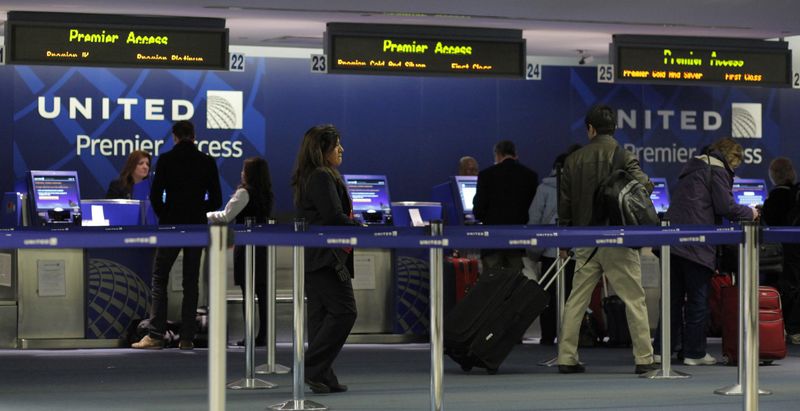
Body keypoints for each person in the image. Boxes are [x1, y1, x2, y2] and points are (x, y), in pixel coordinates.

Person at [556, 105, 658, 374]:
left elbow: (564, 205)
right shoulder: (623, 155)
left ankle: (566, 357)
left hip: (584, 239)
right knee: (634, 298)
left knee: (576, 299)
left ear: (590, 129)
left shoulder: (573, 160)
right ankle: (644, 358)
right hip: (617, 238)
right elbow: (645, 185)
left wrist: (565, 240)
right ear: (614, 128)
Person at [653, 137, 758, 365]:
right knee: (698, 299)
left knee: (671, 299)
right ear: (731, 157)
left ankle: (662, 350)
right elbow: (725, 207)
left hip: (671, 240)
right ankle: (694, 352)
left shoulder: (693, 168)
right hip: (697, 244)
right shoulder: (717, 170)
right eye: (735, 164)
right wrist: (751, 213)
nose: (734, 169)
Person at [133, 120, 222, 350]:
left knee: (159, 278)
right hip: (196, 227)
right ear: (194, 136)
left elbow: (155, 195)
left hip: (171, 226)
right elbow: (216, 199)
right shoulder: (207, 161)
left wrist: (167, 215)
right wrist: (199, 214)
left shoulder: (166, 160)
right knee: (191, 282)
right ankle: (187, 338)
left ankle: (155, 335)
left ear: (174, 137)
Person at [291, 124, 359, 394]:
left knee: (320, 320)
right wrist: (362, 228)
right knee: (345, 311)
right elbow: (333, 216)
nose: (342, 149)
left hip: (316, 257)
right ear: (322, 150)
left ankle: (322, 375)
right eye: (336, 145)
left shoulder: (313, 175)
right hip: (326, 258)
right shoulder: (321, 176)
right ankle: (311, 367)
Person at [207, 157, 274, 346]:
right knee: (262, 292)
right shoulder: (266, 194)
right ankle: (264, 335)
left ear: (250, 173)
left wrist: (206, 215)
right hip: (262, 247)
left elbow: (225, 216)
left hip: (246, 247)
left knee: (248, 293)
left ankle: (250, 335)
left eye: (244, 169)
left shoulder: (244, 192)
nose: (241, 173)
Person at [527, 145, 580, 345]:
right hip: (575, 250)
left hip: (550, 252)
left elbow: (535, 219)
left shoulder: (543, 188)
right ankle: (571, 338)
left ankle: (548, 336)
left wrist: (532, 249)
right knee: (573, 297)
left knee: (548, 296)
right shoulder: (579, 187)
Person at [473, 140, 538, 271]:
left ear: (497, 154)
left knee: (493, 281)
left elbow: (478, 210)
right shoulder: (530, 176)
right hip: (518, 240)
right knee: (514, 282)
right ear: (515, 154)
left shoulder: (486, 175)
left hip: (492, 240)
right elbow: (533, 209)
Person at [761, 157, 800, 345]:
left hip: (783, 253)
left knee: (786, 287)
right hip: (795, 249)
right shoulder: (795, 194)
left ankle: (787, 328)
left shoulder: (776, 197)